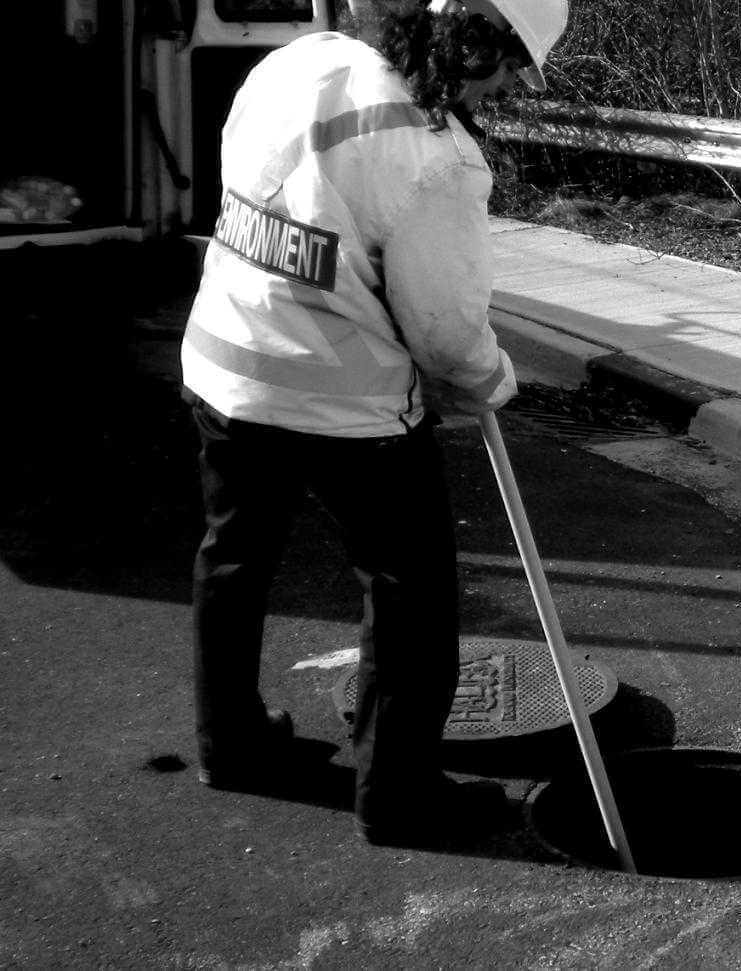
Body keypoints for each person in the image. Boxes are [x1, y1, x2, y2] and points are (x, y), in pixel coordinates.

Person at [180, 0, 568, 846]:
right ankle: (398, 796)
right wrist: (490, 382)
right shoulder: (437, 159)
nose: (505, 88)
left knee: (234, 557)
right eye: (508, 67)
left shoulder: (302, 61)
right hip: (346, 410)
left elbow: (242, 182)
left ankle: (230, 745)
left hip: (226, 366)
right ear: (478, 44)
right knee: (412, 595)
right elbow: (447, 333)